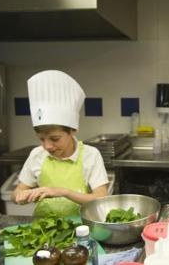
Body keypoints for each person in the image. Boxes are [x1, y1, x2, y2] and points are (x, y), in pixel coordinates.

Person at [12, 70, 109, 217]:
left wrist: (62, 192)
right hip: (43, 228)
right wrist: (20, 196)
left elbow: (100, 198)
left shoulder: (90, 155)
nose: (47, 146)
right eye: (41, 139)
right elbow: (17, 192)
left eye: (55, 139)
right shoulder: (37, 155)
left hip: (80, 228)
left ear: (73, 131)